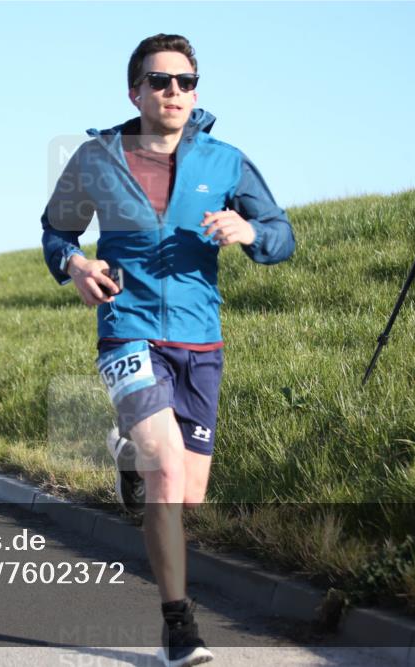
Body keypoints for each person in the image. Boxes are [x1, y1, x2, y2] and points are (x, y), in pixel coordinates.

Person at [41, 34, 295, 667]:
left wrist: (250, 231)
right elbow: (56, 228)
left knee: (189, 496)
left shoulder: (226, 161)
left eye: (186, 81)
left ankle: (127, 451)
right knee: (168, 471)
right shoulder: (96, 159)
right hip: (127, 328)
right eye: (160, 81)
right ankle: (179, 625)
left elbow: (282, 235)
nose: (174, 91)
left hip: (200, 340)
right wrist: (74, 264)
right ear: (136, 90)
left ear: (196, 90)